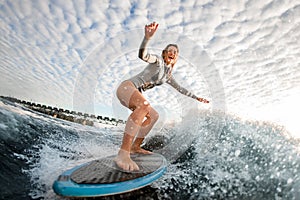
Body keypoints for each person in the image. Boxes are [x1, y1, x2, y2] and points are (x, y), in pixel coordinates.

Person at [115, 22, 209, 171]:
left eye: (175, 52)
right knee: (144, 106)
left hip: (133, 93)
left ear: (176, 57)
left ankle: (135, 147)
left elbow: (181, 89)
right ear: (165, 53)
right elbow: (143, 55)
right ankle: (123, 152)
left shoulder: (167, 76)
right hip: (126, 88)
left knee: (153, 115)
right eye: (169, 50)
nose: (172, 53)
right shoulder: (157, 61)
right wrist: (147, 38)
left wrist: (197, 98)